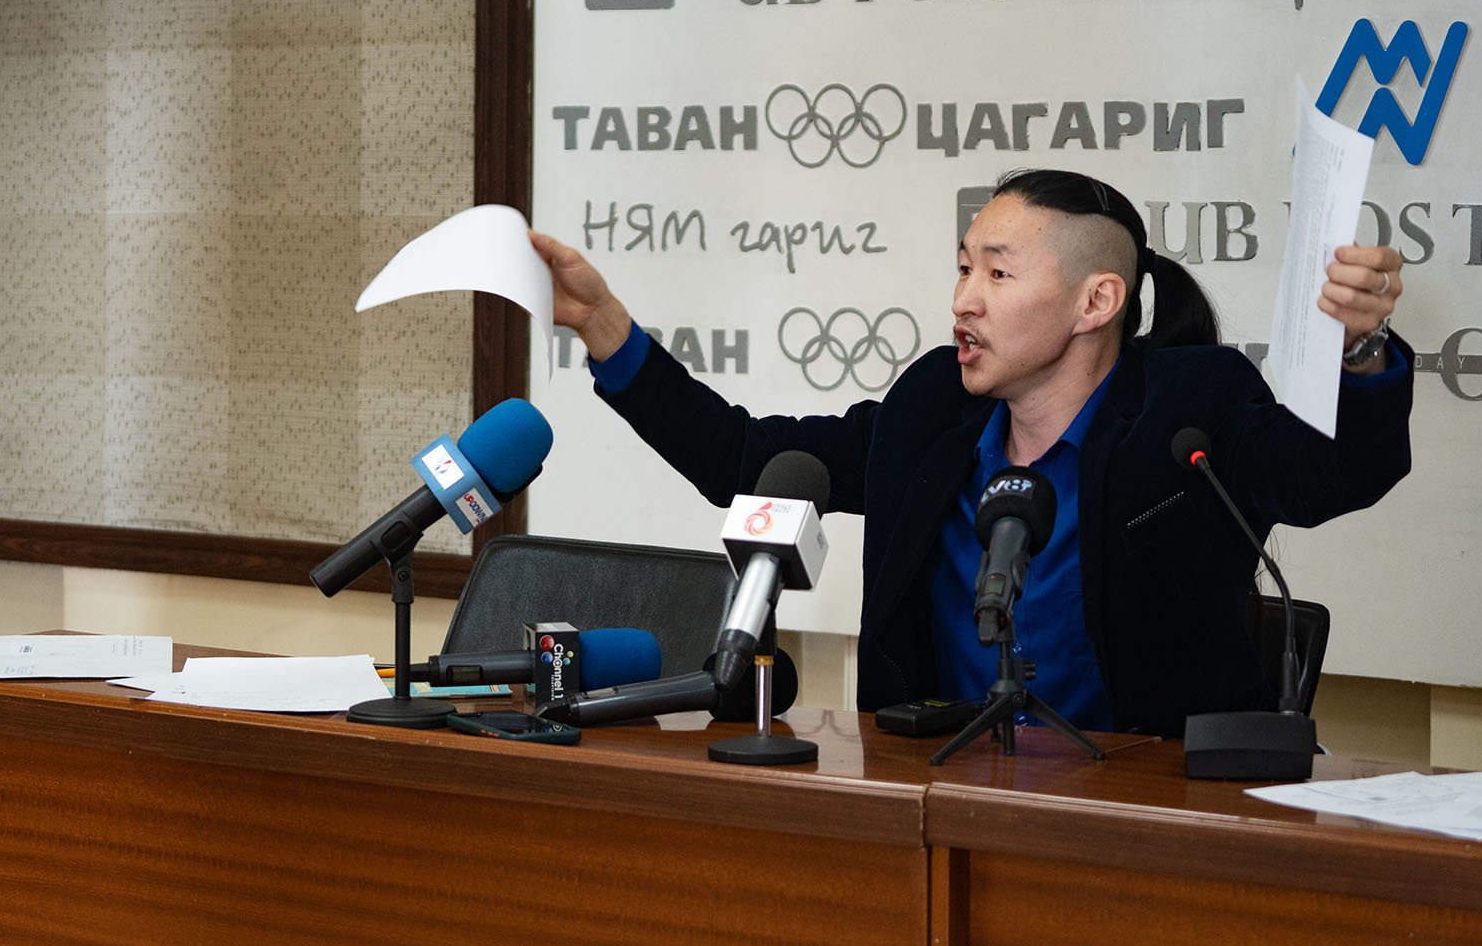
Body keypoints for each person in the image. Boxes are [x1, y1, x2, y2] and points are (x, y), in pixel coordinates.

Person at [530, 169, 1412, 737]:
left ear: (1096, 301)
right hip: (941, 786)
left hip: (1147, 801)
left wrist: (1363, 350)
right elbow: (743, 456)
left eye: (997, 272)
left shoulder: (1189, 407)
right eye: (962, 268)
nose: (963, 300)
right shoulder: (932, 412)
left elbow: (1333, 474)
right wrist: (607, 329)